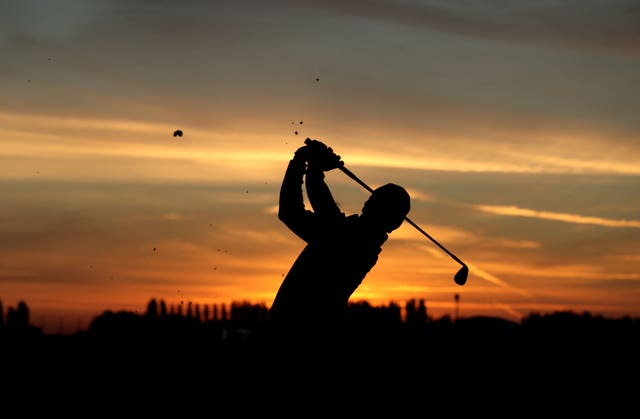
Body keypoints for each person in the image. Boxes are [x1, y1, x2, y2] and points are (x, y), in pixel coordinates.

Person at [267, 138, 411, 342]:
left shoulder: (358, 244)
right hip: (291, 330)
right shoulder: (348, 235)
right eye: (374, 197)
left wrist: (310, 163)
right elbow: (294, 211)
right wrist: (307, 163)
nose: (370, 201)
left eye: (377, 200)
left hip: (299, 334)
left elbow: (315, 207)